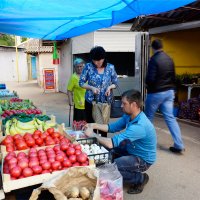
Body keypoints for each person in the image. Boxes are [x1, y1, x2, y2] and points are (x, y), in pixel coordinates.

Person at [84, 89, 157, 194]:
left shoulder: (140, 126)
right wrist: (94, 125)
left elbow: (111, 142)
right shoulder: (129, 116)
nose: (121, 106)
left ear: (134, 104)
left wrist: (92, 134)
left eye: (124, 103)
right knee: (108, 152)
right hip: (132, 149)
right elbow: (112, 127)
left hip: (143, 159)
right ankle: (123, 169)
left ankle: (139, 178)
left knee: (114, 166)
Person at [145, 39, 185, 153]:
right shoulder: (169, 59)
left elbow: (150, 79)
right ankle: (179, 145)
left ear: (153, 48)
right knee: (170, 118)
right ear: (162, 47)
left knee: (148, 118)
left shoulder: (154, 59)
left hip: (156, 93)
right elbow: (174, 77)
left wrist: (148, 85)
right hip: (169, 92)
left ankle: (147, 144)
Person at [79, 46, 118, 137]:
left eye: (99, 61)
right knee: (90, 125)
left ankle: (102, 145)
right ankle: (91, 145)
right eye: (94, 60)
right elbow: (81, 83)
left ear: (103, 58)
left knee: (103, 126)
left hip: (105, 103)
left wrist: (110, 87)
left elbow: (115, 83)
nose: (96, 63)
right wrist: (91, 88)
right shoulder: (88, 67)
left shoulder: (110, 68)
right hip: (90, 102)